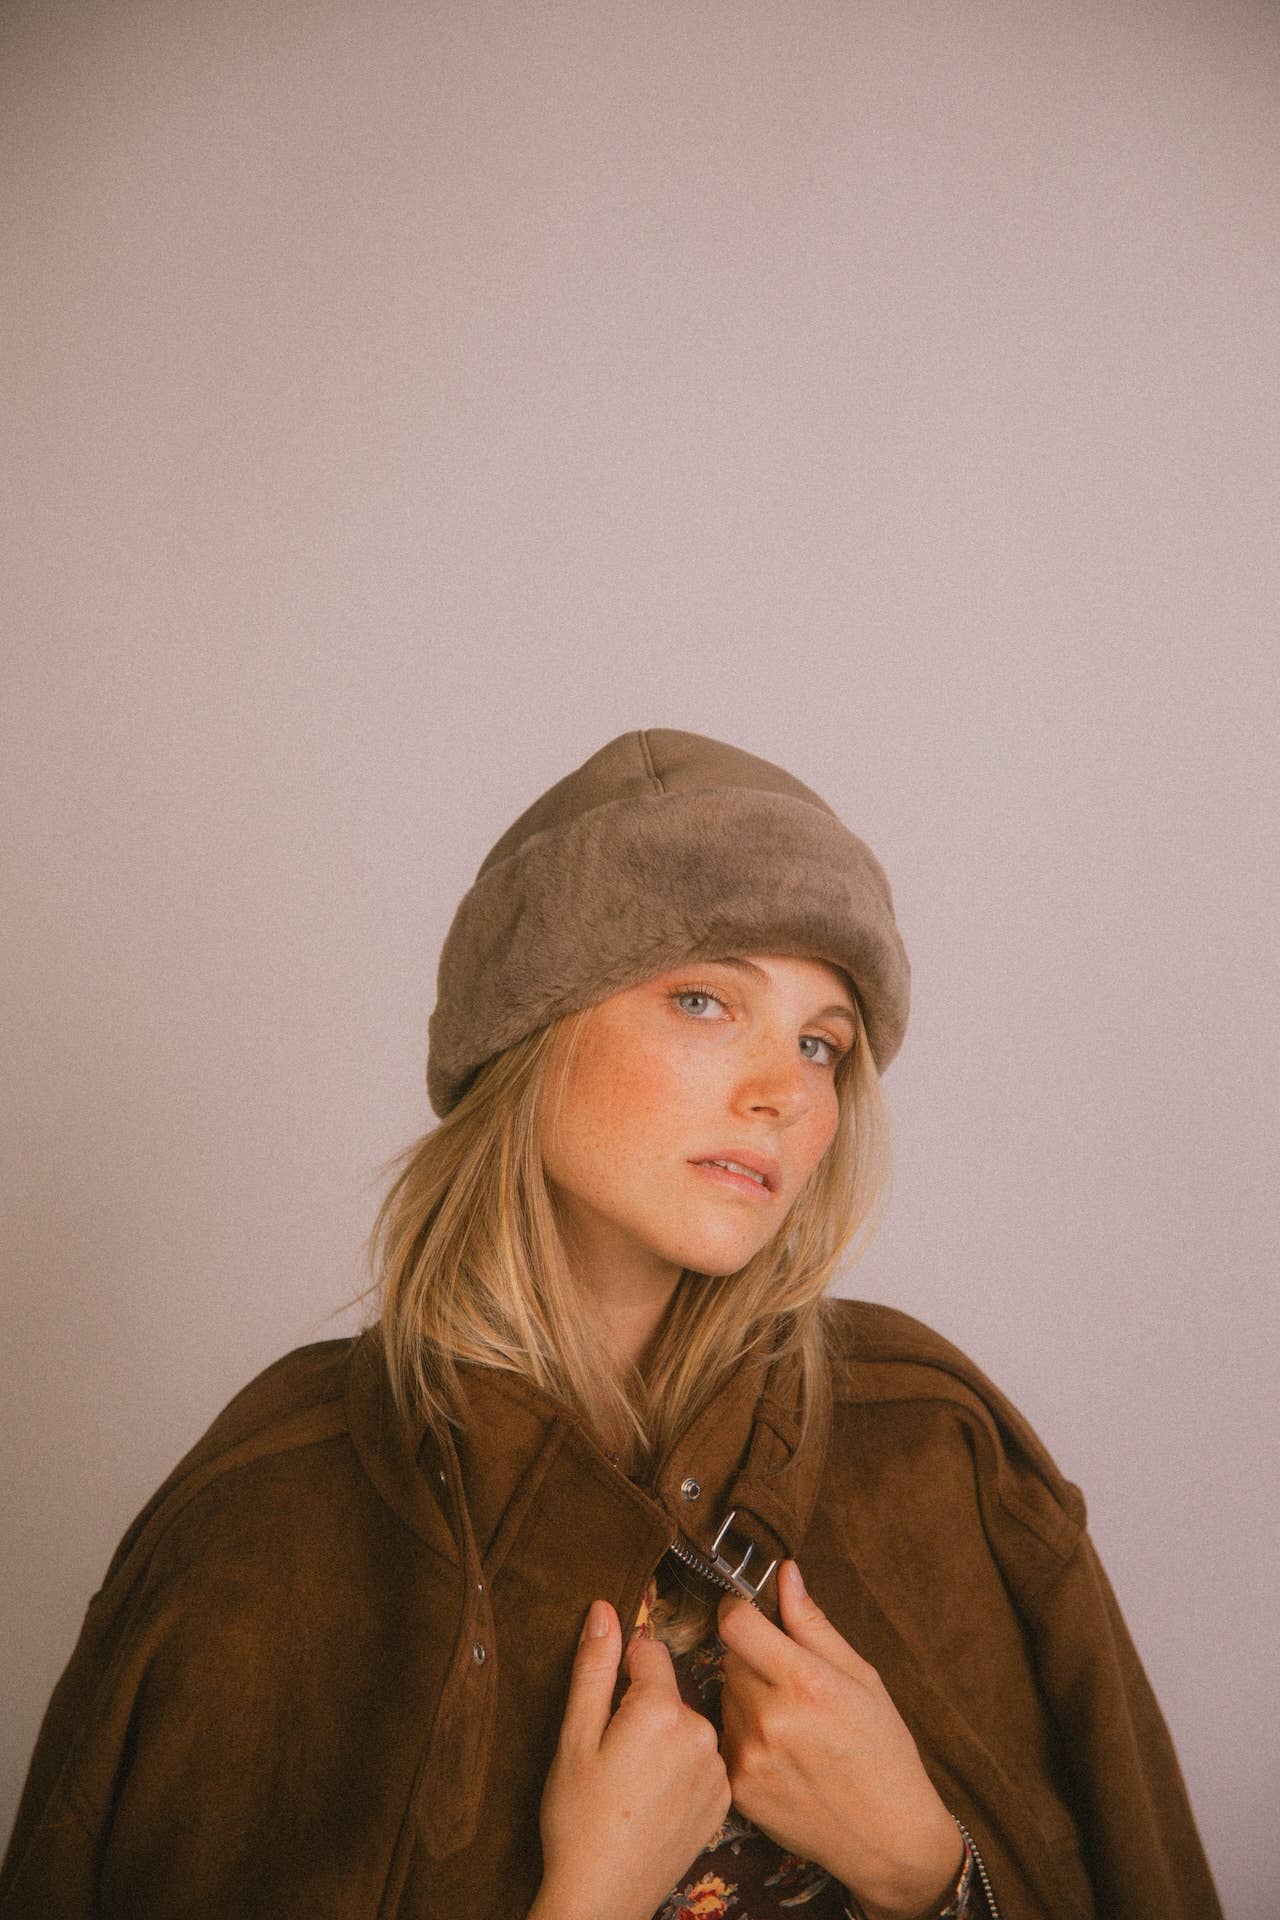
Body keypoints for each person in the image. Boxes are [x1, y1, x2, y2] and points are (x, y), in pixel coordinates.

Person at [0, 726, 1222, 1920]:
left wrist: (921, 1871)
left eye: (818, 1044)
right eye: (702, 1001)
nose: (783, 1091)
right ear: (524, 1033)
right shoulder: (272, 1512)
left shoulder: (933, 1444)